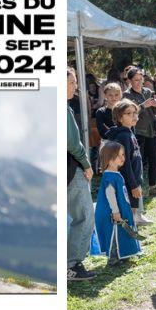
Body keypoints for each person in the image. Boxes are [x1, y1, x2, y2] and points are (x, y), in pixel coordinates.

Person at [67, 68, 96, 281]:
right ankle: (72, 264)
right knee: (84, 216)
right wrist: (86, 164)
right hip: (71, 167)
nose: (75, 87)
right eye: (72, 82)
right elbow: (73, 143)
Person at [104, 99, 153, 226]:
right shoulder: (123, 136)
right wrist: (133, 185)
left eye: (135, 113)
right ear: (120, 118)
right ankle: (129, 232)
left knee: (134, 206)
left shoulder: (129, 132)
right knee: (128, 209)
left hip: (134, 179)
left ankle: (135, 220)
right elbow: (125, 164)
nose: (134, 116)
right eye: (129, 113)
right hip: (128, 182)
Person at [94, 141, 143, 266]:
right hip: (112, 212)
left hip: (120, 210)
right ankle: (114, 259)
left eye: (123, 155)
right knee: (114, 235)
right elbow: (110, 195)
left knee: (121, 233)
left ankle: (123, 254)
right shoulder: (110, 176)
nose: (123, 158)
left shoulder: (116, 174)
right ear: (110, 160)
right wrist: (115, 211)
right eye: (119, 155)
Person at [124, 67, 156, 198]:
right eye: (136, 80)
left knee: (154, 159)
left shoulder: (148, 91)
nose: (139, 82)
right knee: (139, 160)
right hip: (138, 131)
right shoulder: (127, 95)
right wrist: (144, 105)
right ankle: (138, 187)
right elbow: (129, 111)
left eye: (140, 79)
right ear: (130, 81)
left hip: (151, 130)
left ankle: (153, 186)